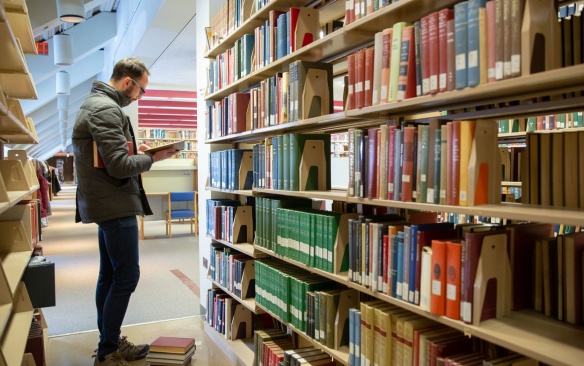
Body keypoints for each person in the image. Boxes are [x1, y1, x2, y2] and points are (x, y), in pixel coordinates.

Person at [71, 57, 178, 366]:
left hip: (105, 202)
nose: (139, 97)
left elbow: (110, 158)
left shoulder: (96, 104)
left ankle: (109, 341)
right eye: (141, 90)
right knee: (126, 275)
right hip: (114, 203)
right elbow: (118, 166)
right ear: (128, 82)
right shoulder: (105, 109)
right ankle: (108, 349)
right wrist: (153, 158)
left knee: (110, 274)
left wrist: (140, 154)